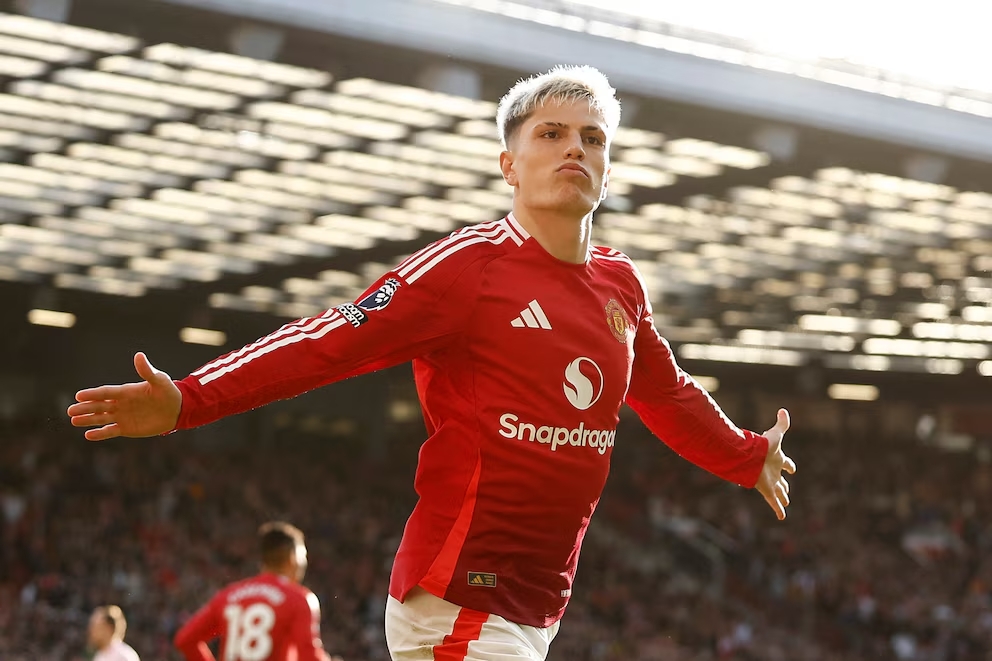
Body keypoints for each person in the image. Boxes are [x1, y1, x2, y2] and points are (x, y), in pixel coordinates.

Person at [68, 65, 796, 661]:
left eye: (592, 139)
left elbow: (665, 392)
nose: (574, 148)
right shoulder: (469, 266)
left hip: (534, 609)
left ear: (607, 168)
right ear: (509, 164)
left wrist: (744, 455)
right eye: (551, 134)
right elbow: (331, 339)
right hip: (459, 600)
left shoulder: (619, 285)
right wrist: (190, 398)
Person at [173, 521, 332, 661]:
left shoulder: (228, 596)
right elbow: (309, 656)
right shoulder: (298, 599)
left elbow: (185, 640)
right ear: (292, 558)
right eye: (304, 555)